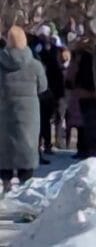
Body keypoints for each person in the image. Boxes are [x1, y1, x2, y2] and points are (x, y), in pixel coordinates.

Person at [0, 26, 48, 191]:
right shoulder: (35, 65)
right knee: (26, 148)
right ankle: (24, 188)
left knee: (3, 149)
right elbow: (43, 87)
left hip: (3, 113)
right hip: (28, 115)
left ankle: (6, 186)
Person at [36, 32, 64, 161]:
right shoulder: (51, 58)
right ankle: (45, 144)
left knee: (43, 121)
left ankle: (44, 144)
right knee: (45, 121)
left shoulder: (40, 57)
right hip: (47, 92)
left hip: (45, 92)